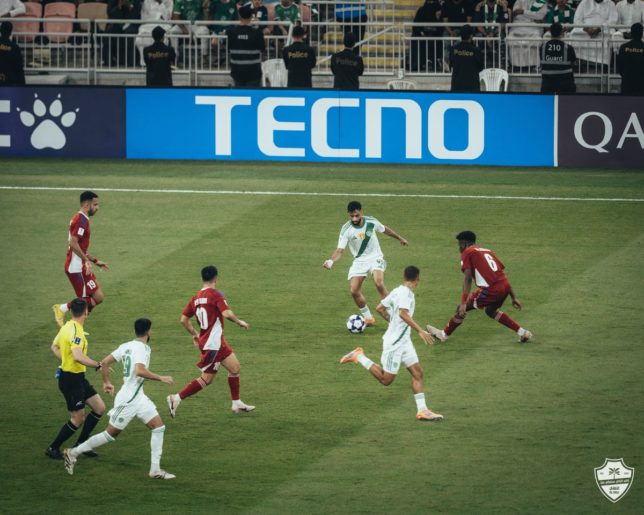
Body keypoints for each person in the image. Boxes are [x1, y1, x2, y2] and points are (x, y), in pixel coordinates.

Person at [63, 318, 176, 480]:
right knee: (110, 434)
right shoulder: (143, 348)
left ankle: (155, 470)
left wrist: (106, 382)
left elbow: (104, 362)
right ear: (148, 331)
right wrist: (161, 378)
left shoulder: (126, 346)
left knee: (158, 427)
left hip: (138, 397)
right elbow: (139, 370)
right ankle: (72, 453)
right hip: (128, 400)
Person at [340, 266, 443, 422]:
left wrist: (392, 322)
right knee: (386, 380)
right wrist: (420, 331)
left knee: (418, 373)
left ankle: (422, 410)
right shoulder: (406, 294)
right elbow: (403, 313)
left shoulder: (397, 291)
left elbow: (380, 308)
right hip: (394, 343)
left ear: (404, 277)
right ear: (417, 279)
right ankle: (359, 356)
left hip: (404, 341)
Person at [166, 265, 255, 417]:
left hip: (213, 341)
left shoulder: (195, 298)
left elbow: (183, 320)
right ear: (216, 278)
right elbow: (226, 314)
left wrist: (195, 334)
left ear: (202, 278)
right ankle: (176, 398)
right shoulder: (215, 294)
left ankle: (236, 403)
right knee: (207, 379)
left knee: (235, 368)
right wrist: (239, 322)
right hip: (213, 344)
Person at [426, 231, 533, 344]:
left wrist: (463, 302)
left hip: (491, 290)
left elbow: (467, 279)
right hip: (504, 286)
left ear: (464, 243)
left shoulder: (467, 252)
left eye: (459, 245)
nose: (459, 248)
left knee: (462, 308)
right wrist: (513, 297)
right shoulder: (487, 251)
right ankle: (523, 332)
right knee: (490, 311)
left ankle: (443, 335)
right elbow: (501, 274)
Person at [323, 200, 408, 326]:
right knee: (354, 291)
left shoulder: (371, 221)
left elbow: (385, 229)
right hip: (359, 261)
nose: (354, 218)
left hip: (375, 257)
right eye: (352, 216)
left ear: (361, 212)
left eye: (357, 215)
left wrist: (399, 238)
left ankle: (392, 314)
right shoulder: (346, 229)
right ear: (348, 214)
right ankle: (368, 318)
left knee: (379, 283)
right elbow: (339, 250)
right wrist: (331, 260)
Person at [46, 298, 106, 460]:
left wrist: (65, 359)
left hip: (78, 377)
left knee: (99, 407)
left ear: (71, 311)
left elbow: (54, 346)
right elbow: (78, 356)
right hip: (71, 380)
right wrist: (98, 364)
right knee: (78, 418)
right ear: (86, 312)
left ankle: (81, 445)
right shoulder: (76, 331)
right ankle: (53, 448)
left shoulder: (66, 327)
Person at [52, 191, 109, 328]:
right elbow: (73, 243)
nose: (97, 208)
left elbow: (80, 247)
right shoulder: (81, 220)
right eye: (95, 205)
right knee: (83, 303)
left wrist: (95, 260)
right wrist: (86, 261)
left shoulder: (83, 219)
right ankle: (73, 326)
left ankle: (64, 309)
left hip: (81, 265)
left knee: (98, 297)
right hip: (75, 267)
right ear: (87, 205)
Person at [570, 0, 618, 66]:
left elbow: (612, 20)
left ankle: (603, 64)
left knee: (609, 35)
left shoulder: (610, 3)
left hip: (604, 29)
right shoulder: (584, 2)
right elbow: (577, 19)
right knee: (575, 33)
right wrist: (587, 29)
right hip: (585, 28)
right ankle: (579, 61)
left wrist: (599, 29)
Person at [226, 4, 265, 86]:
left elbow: (228, 49)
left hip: (237, 72)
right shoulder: (258, 33)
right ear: (251, 17)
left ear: (239, 16)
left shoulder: (231, 32)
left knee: (239, 93)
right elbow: (262, 50)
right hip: (254, 72)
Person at [506, 0, 548, 69]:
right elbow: (516, 14)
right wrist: (532, 16)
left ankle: (533, 64)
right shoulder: (519, 1)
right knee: (511, 36)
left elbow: (540, 16)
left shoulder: (541, 2)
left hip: (534, 27)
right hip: (519, 25)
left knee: (536, 36)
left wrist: (523, 12)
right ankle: (515, 64)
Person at [540, 22, 577, 93]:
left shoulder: (543, 47)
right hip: (566, 85)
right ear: (561, 32)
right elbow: (574, 63)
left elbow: (542, 62)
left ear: (550, 32)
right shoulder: (568, 48)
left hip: (547, 85)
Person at [135, 0, 173, 66]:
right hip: (148, 24)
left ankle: (161, 61)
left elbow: (168, 17)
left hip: (163, 24)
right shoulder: (147, 1)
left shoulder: (168, 1)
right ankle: (144, 62)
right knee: (139, 39)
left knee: (163, 34)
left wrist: (160, 3)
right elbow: (144, 17)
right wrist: (158, 16)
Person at [449, 24, 484, 92]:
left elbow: (451, 64)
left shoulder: (453, 49)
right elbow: (481, 67)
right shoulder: (476, 50)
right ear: (471, 36)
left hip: (457, 86)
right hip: (472, 87)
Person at [409, 0, 443, 72]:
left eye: (432, 2)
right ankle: (417, 63)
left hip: (434, 35)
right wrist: (421, 32)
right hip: (422, 34)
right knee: (415, 38)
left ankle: (435, 63)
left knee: (433, 41)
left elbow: (440, 28)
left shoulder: (439, 10)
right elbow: (415, 26)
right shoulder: (422, 10)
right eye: (429, 2)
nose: (431, 3)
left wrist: (437, 18)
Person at [617, 22, 644, 95]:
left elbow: (619, 67)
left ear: (631, 33)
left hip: (627, 84)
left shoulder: (623, 47)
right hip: (641, 85)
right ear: (642, 34)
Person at [0, 21, 25, 86]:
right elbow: (19, 68)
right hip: (10, 82)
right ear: (10, 32)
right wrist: (23, 85)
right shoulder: (14, 48)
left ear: (0, 30)